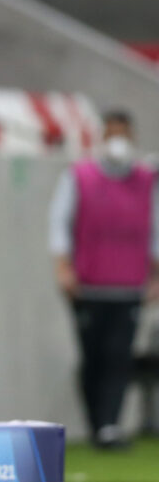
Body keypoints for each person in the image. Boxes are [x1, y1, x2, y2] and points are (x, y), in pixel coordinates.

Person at [49, 109, 159, 448]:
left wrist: (155, 276)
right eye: (112, 133)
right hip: (88, 284)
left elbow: (155, 229)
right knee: (92, 357)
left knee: (119, 355)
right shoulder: (79, 176)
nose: (118, 141)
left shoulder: (146, 181)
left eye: (123, 134)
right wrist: (63, 267)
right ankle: (97, 422)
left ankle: (110, 424)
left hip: (128, 285)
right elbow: (60, 224)